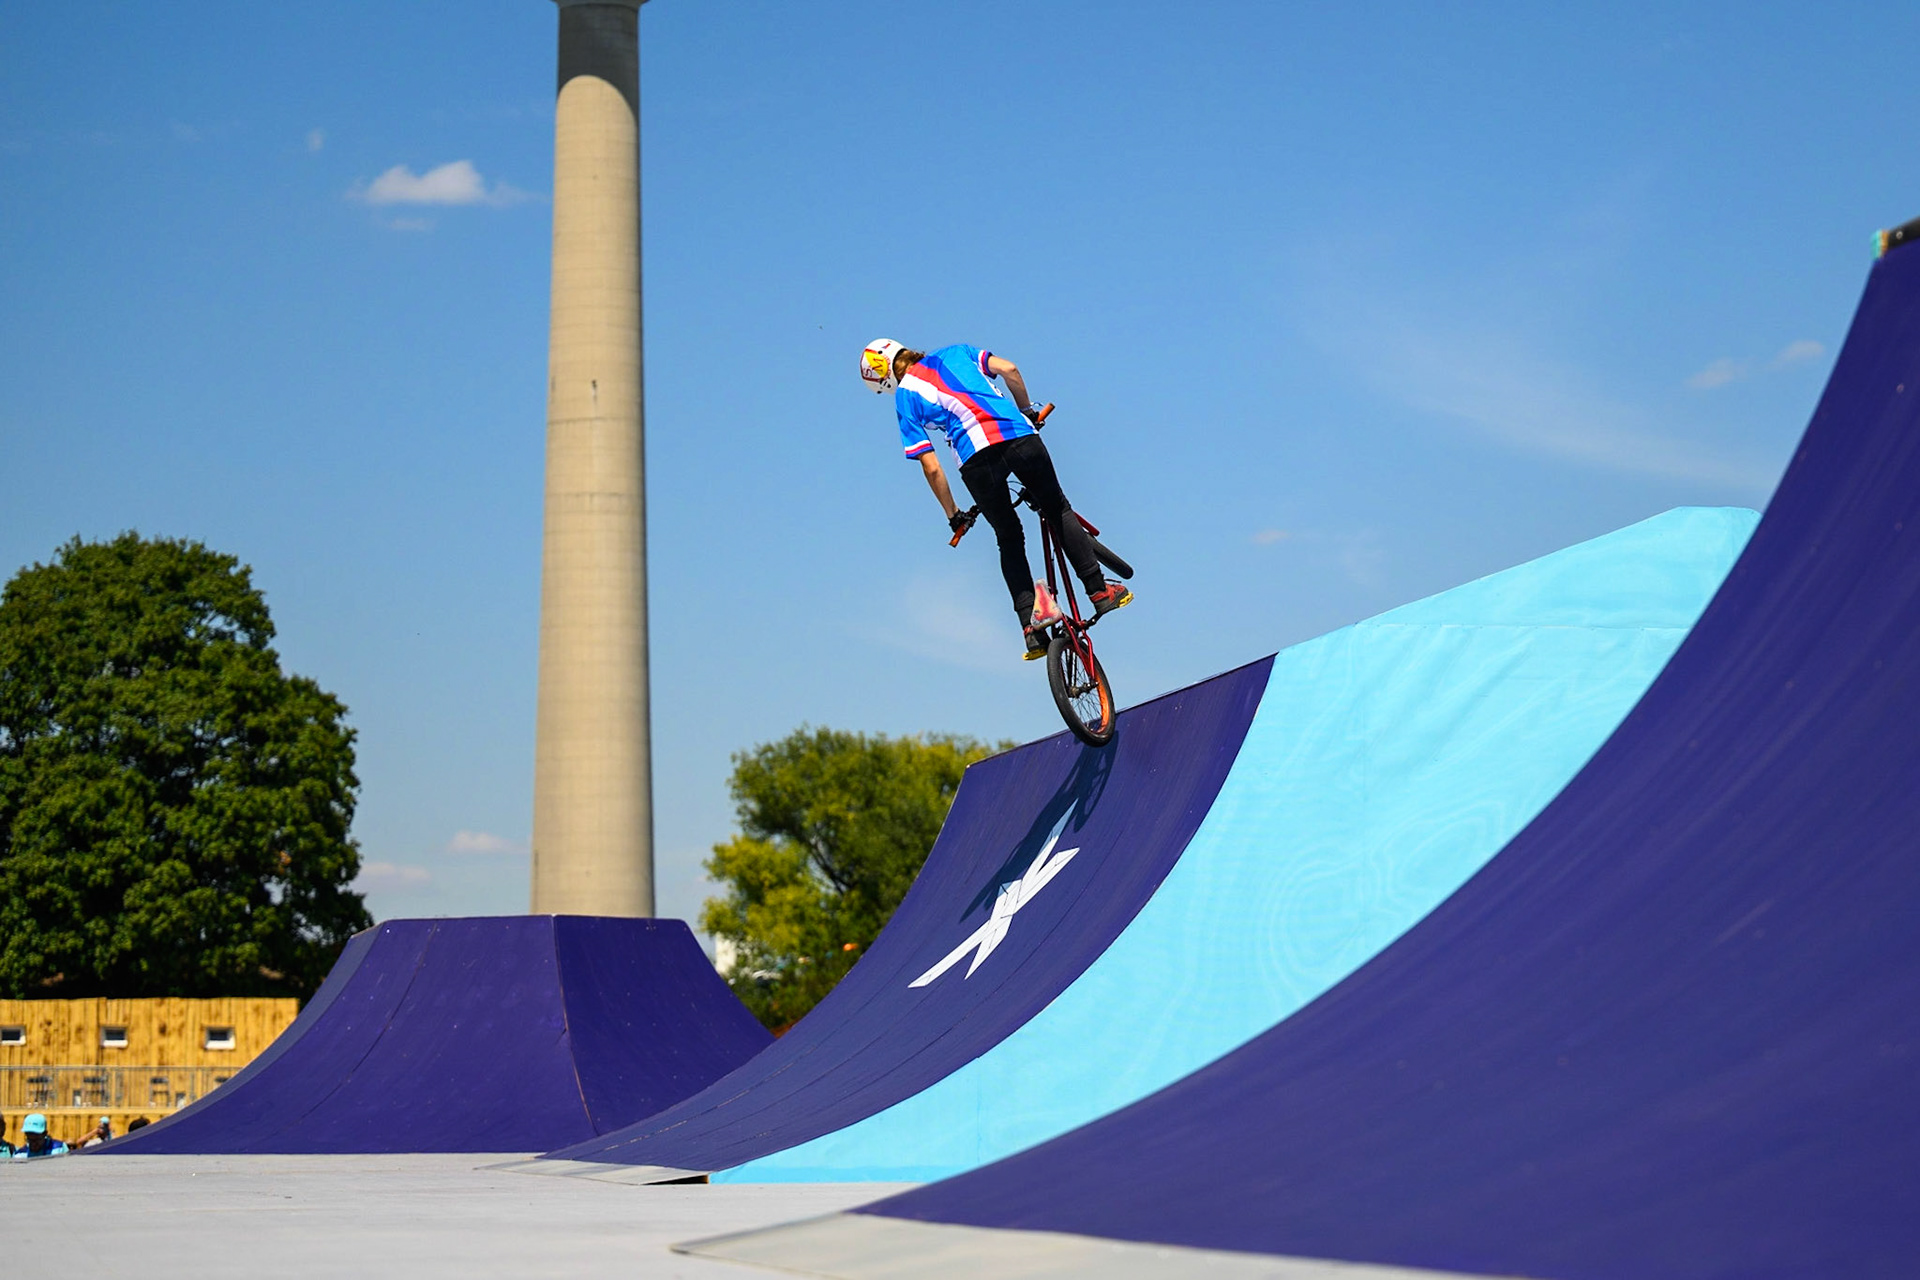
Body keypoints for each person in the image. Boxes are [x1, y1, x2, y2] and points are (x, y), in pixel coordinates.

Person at [862, 339, 1133, 659]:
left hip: (975, 462)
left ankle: (1031, 629)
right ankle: (1099, 590)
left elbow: (931, 466)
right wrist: (1027, 411)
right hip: (1018, 437)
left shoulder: (905, 399)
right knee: (1057, 508)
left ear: (886, 381)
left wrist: (954, 514)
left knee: (1008, 536)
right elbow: (1009, 370)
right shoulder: (956, 353)